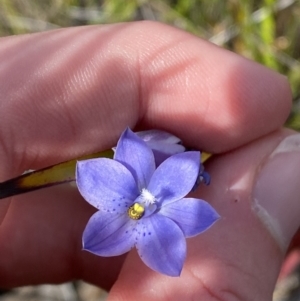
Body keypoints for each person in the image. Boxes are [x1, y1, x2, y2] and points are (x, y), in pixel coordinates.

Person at [0, 21, 297, 300]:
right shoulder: (108, 179)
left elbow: (185, 191)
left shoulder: (167, 183)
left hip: (166, 180)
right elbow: (98, 220)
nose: (139, 209)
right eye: (139, 208)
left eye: (138, 208)